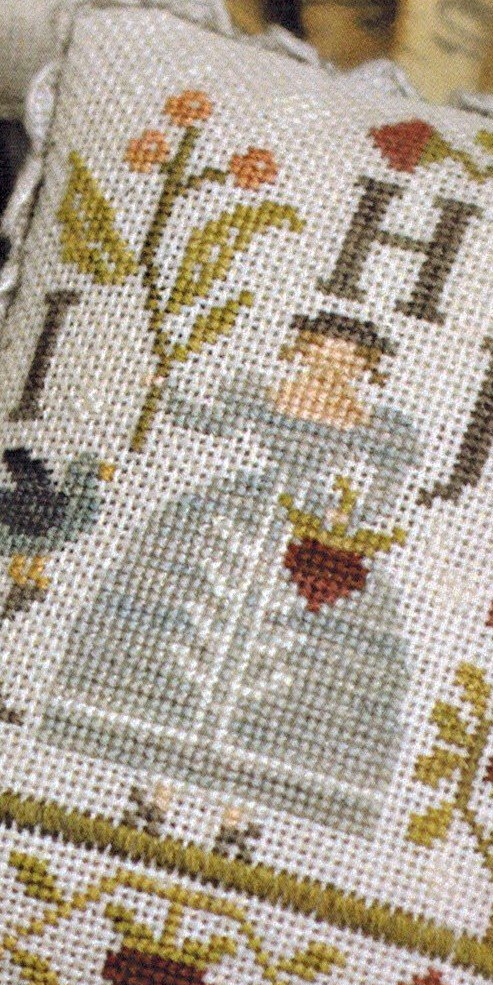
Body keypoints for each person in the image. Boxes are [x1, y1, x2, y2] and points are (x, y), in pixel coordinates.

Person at [40, 310, 420, 835]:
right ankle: (157, 794)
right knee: (180, 640)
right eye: (325, 351)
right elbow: (210, 422)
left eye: (349, 358)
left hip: (312, 535)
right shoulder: (265, 392)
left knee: (299, 667)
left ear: (365, 365)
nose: (335, 365)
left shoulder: (371, 423)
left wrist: (351, 517)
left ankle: (238, 817)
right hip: (239, 513)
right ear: (305, 348)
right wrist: (165, 392)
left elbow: (388, 481)